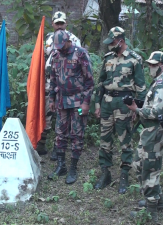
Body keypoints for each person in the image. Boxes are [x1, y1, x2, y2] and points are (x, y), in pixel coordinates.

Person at [94, 26, 146, 194]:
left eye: (112, 42)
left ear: (121, 41)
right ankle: (105, 173)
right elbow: (101, 82)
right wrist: (97, 103)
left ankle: (124, 175)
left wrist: (137, 109)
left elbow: (141, 87)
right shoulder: (108, 58)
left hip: (125, 103)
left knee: (125, 141)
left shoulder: (134, 59)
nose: (110, 45)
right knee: (105, 140)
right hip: (107, 102)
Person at [47, 30, 94, 184]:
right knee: (60, 133)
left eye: (62, 46)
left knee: (77, 134)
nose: (60, 49)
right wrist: (52, 99)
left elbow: (89, 81)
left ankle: (73, 167)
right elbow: (53, 79)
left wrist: (86, 102)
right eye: (57, 46)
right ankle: (61, 165)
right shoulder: (55, 56)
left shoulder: (81, 54)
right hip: (61, 101)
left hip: (78, 102)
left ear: (68, 41)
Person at [37, 11, 81, 159]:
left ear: (66, 23)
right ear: (53, 23)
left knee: (63, 117)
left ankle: (58, 147)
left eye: (62, 23)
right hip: (49, 82)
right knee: (46, 114)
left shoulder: (74, 39)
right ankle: (41, 144)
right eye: (57, 23)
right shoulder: (47, 38)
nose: (60, 26)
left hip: (66, 85)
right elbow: (41, 58)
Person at [127, 51, 163, 222]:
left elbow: (158, 111)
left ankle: (151, 213)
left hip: (155, 132)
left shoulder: (162, 85)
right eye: (149, 64)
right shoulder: (157, 83)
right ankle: (157, 199)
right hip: (149, 131)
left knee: (150, 169)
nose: (151, 67)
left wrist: (137, 110)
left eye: (154, 64)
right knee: (138, 163)